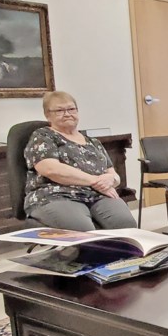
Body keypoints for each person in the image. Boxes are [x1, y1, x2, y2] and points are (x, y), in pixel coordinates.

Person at [24, 91, 136, 231]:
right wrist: (94, 181)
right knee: (84, 233)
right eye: (59, 110)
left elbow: (114, 175)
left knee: (127, 227)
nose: (67, 114)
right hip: (57, 196)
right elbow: (50, 169)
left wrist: (111, 179)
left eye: (71, 109)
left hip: (98, 195)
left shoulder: (93, 142)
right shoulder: (43, 136)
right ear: (48, 115)